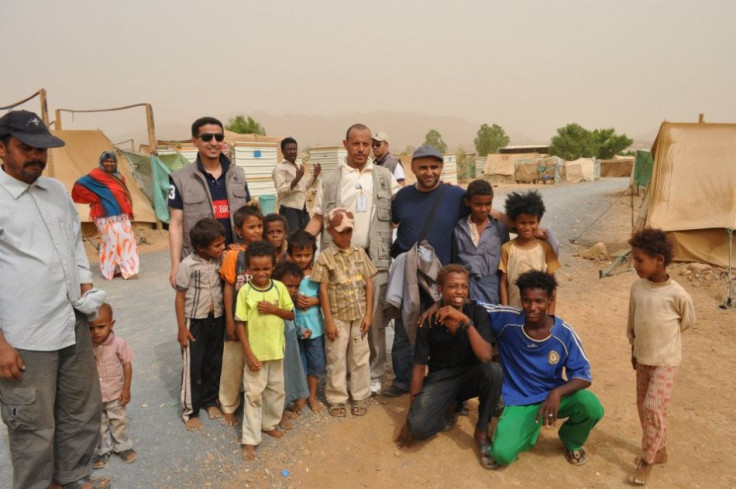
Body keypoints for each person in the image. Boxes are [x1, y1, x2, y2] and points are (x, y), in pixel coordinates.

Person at [0, 110, 110, 489]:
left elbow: (74, 244)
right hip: (24, 338)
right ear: (2, 149)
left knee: (80, 411)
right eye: (24, 147)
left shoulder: (57, 191)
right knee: (33, 427)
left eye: (41, 149)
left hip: (71, 324)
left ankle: (69, 479)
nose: (35, 155)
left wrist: (84, 288)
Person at [306, 123, 401, 397]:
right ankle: (345, 373)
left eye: (366, 144)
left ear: (372, 145)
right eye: (356, 143)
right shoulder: (332, 180)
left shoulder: (384, 176)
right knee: (340, 318)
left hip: (374, 258)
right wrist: (294, 246)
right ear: (345, 144)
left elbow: (404, 208)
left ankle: (373, 373)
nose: (361, 149)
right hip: (338, 261)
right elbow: (317, 219)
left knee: (373, 319)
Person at [480, 271, 604, 468]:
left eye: (539, 301)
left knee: (591, 406)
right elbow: (472, 305)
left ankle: (571, 440)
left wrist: (557, 392)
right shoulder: (508, 321)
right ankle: (526, 428)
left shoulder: (564, 333)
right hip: (519, 401)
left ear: (550, 299)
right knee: (502, 454)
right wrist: (439, 305)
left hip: (552, 398)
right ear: (521, 299)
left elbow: (583, 376)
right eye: (527, 301)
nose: (532, 307)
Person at [396, 265, 503, 467]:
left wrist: (465, 321)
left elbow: (486, 356)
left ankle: (481, 431)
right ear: (440, 289)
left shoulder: (477, 313)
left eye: (464, 286)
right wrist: (412, 415)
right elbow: (419, 368)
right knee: (418, 427)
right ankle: (451, 404)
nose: (460, 291)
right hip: (441, 378)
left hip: (471, 374)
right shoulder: (428, 321)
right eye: (453, 286)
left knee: (494, 371)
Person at [385, 144, 468, 398]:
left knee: (445, 330)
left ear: (442, 167)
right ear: (413, 168)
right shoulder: (402, 197)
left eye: (434, 166)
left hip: (443, 280)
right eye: (423, 167)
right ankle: (403, 379)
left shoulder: (455, 197)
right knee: (404, 330)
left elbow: (482, 212)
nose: (429, 172)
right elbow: (389, 223)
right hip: (409, 277)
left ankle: (444, 381)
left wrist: (517, 223)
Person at [626, 229, 695, 485]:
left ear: (659, 260)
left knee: (653, 407)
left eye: (639, 260)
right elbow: (632, 321)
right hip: (642, 357)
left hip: (666, 361)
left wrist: (665, 344)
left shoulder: (677, 294)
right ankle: (660, 449)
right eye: (634, 259)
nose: (635, 265)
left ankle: (647, 461)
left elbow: (687, 321)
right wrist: (634, 348)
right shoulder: (637, 288)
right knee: (643, 408)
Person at [168, 116, 251, 288]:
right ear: (194, 141)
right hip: (201, 264)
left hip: (237, 261)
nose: (214, 142)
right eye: (207, 137)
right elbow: (175, 224)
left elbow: (249, 217)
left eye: (218, 137)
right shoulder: (180, 179)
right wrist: (176, 265)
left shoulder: (238, 175)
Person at [311, 208, 377, 417]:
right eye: (341, 232)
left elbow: (369, 283)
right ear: (330, 231)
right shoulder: (325, 258)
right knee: (336, 357)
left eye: (349, 231)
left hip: (358, 317)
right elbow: (322, 289)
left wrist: (368, 315)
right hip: (337, 317)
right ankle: (337, 397)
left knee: (360, 357)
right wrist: (328, 321)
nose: (346, 236)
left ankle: (359, 395)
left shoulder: (359, 253)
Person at [233, 240, 295, 461]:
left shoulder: (279, 288)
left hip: (276, 351)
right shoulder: (245, 292)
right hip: (255, 355)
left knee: (276, 390)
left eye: (266, 269)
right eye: (256, 269)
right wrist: (248, 354)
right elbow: (239, 322)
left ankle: (269, 424)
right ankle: (250, 439)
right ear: (248, 268)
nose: (261, 273)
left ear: (273, 265)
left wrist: (273, 309)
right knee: (253, 394)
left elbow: (290, 314)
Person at [174, 218, 227, 432]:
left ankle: (210, 400)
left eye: (223, 243)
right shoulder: (187, 265)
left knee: (214, 361)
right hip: (194, 320)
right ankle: (191, 411)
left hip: (217, 318)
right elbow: (179, 297)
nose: (222, 248)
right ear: (201, 247)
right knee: (193, 366)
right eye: (218, 245)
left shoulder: (220, 260)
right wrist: (181, 328)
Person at [217, 205, 264, 426]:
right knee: (232, 365)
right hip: (237, 321)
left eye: (259, 226)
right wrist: (229, 321)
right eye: (251, 227)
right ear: (238, 230)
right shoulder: (233, 256)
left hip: (258, 322)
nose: (256, 231)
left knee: (256, 363)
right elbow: (228, 288)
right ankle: (228, 405)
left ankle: (255, 404)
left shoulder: (264, 252)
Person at [72, 150, 140, 280]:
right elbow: (78, 186)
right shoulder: (94, 175)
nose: (109, 163)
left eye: (112, 161)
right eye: (106, 161)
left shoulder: (119, 177)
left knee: (126, 241)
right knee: (111, 241)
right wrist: (93, 198)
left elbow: (123, 193)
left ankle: (118, 269)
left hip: (122, 215)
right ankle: (118, 270)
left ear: (115, 163)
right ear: (101, 162)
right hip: (104, 215)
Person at [89, 303, 136, 469]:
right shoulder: (86, 346)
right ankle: (103, 450)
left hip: (116, 393)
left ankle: (123, 446)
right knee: (99, 425)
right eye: (91, 328)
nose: (95, 332)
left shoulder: (119, 343)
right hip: (94, 396)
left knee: (118, 421)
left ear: (112, 324)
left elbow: (127, 365)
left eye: (101, 327)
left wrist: (126, 389)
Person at [499, 190, 560, 312]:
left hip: (539, 311)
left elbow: (552, 285)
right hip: (514, 309)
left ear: (539, 222)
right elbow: (503, 283)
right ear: (513, 222)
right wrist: (505, 311)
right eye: (522, 223)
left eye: (532, 223)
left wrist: (551, 315)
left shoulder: (546, 248)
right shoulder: (507, 248)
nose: (527, 227)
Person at [452, 179, 510, 304]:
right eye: (478, 204)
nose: (483, 209)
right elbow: (454, 259)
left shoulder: (499, 228)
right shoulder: (459, 229)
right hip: (465, 291)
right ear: (468, 203)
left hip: (492, 291)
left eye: (488, 204)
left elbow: (505, 264)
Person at [288, 230, 326, 413]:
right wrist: (294, 300)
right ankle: (301, 398)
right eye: (298, 255)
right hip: (295, 329)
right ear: (290, 254)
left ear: (313, 253)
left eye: (307, 255)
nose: (303, 259)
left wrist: (315, 301)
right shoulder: (288, 275)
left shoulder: (317, 273)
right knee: (299, 363)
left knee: (315, 364)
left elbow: (327, 297)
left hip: (316, 329)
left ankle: (312, 396)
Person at [271, 261, 310, 428]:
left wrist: (301, 330)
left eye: (296, 286)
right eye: (289, 286)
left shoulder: (289, 302)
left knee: (288, 379)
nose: (293, 290)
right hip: (278, 350)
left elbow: (291, 324)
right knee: (278, 382)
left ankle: (283, 410)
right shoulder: (275, 303)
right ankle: (278, 417)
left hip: (290, 350)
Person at [272, 137, 321, 234]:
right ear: (282, 151)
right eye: (289, 149)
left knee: (307, 238)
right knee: (293, 241)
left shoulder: (298, 165)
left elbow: (304, 187)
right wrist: (296, 179)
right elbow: (281, 191)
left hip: (303, 209)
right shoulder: (279, 168)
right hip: (289, 211)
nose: (292, 152)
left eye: (294, 149)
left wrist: (315, 176)